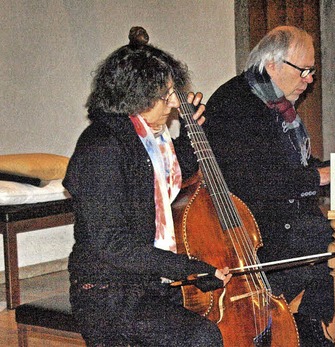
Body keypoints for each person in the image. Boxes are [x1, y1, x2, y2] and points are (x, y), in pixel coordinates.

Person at [63, 27, 231, 346]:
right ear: (139, 97)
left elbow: (175, 170)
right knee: (201, 337)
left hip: (149, 283)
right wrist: (188, 267)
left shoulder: (146, 139)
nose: (171, 104)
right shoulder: (101, 148)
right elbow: (113, 244)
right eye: (166, 95)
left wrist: (190, 129)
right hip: (108, 297)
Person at [201, 26, 335, 346]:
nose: (309, 79)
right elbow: (259, 183)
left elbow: (292, 164)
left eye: (311, 70)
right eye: (303, 70)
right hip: (246, 228)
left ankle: (307, 322)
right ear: (272, 65)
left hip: (274, 214)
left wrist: (333, 169)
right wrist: (323, 176)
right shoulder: (238, 107)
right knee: (332, 241)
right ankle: (274, 316)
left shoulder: (270, 100)